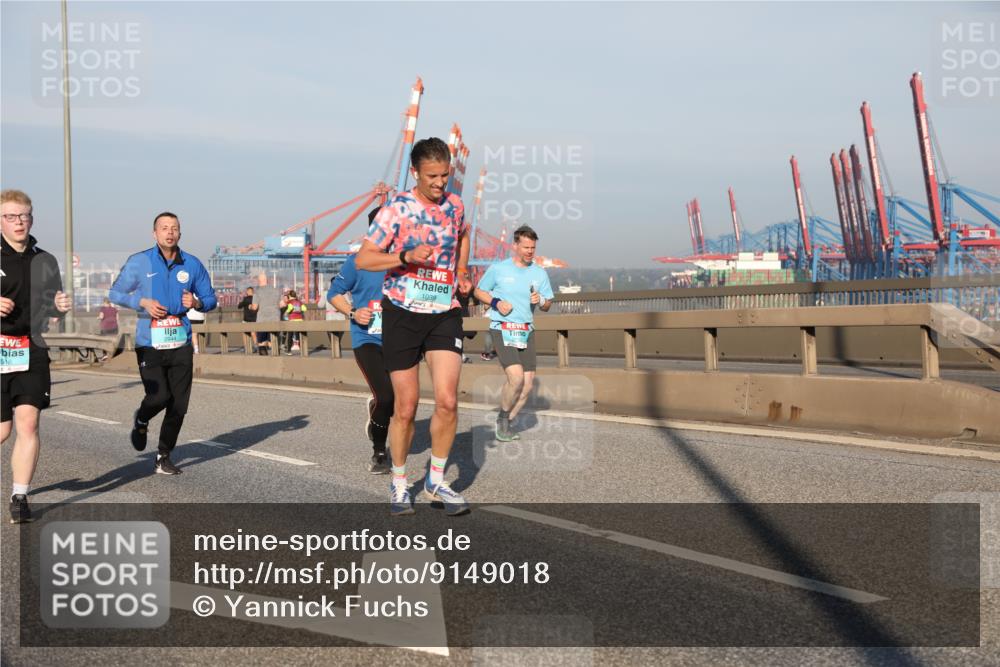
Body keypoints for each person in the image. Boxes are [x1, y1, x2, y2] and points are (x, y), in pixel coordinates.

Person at [355, 137, 473, 516]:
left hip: (443, 309)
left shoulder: (455, 206)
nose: (440, 183)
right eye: (432, 176)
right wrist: (404, 255)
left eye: (445, 175)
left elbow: (464, 234)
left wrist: (460, 272)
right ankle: (400, 481)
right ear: (415, 173)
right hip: (403, 312)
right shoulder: (396, 210)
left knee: (448, 400)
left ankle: (436, 481)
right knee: (405, 408)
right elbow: (364, 259)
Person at [109, 211, 217, 475]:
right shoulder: (140, 261)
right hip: (150, 341)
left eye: (175, 228)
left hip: (180, 340)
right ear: (154, 233)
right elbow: (115, 293)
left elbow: (211, 298)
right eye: (164, 227)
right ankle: (142, 418)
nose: (170, 232)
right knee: (159, 396)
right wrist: (142, 302)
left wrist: (198, 302)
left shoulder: (192, 264)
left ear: (180, 233)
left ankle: (163, 456)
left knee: (179, 405)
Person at [1, 190, 72, 523]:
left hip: (31, 348)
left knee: (28, 423)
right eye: (11, 216)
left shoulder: (46, 260)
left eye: (24, 215)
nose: (19, 222)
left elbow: (50, 312)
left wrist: (58, 308)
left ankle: (20, 496)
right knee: (2, 431)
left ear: (32, 218)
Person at [474, 225, 554, 441]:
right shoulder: (499, 269)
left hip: (526, 331)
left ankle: (506, 420)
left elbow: (548, 304)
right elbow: (478, 291)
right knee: (516, 378)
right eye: (526, 247)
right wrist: (497, 302)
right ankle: (502, 420)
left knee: (527, 386)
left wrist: (542, 301)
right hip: (502, 328)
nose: (530, 251)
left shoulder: (539, 272)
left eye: (533, 247)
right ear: (515, 245)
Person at [328, 208, 392, 474]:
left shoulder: (405, 264)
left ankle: (375, 408)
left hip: (399, 339)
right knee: (387, 396)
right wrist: (354, 312)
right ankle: (379, 452)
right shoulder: (357, 262)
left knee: (400, 401)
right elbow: (334, 294)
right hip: (366, 338)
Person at [236, 287, 266, 354]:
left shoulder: (246, 299)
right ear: (253, 292)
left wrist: (241, 303)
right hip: (254, 319)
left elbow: (239, 306)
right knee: (253, 333)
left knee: (244, 333)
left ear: (247, 292)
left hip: (246, 319)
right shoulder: (257, 299)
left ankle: (246, 347)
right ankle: (256, 346)